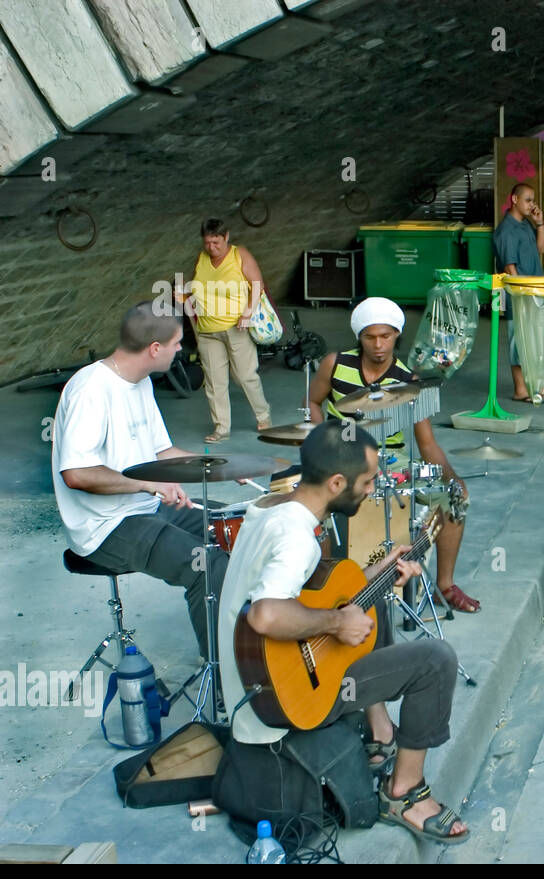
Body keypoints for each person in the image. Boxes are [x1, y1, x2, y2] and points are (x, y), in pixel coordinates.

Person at [216, 421, 467, 843]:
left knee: (367, 598)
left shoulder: (270, 508)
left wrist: (382, 570)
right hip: (288, 698)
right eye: (367, 483)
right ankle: (404, 793)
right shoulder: (297, 538)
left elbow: (316, 594)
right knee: (435, 660)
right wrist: (336, 622)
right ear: (336, 482)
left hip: (254, 684)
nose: (372, 491)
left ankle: (379, 734)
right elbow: (264, 615)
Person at [52, 302, 228, 661]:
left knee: (238, 527)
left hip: (147, 508)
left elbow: (160, 451)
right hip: (106, 527)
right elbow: (77, 473)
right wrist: (149, 485)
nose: (182, 350)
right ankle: (223, 674)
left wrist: (218, 465)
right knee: (206, 566)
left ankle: (253, 643)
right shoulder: (90, 389)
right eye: (177, 343)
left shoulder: (141, 382)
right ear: (154, 349)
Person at [309, 297, 481, 613]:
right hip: (342, 458)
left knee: (454, 499)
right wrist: (321, 443)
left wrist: (452, 478)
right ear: (359, 337)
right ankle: (323, 584)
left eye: (385, 336)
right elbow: (314, 403)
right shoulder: (334, 364)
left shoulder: (407, 382)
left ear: (396, 336)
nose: (378, 344)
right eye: (370, 337)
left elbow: (426, 443)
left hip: (393, 461)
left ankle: (445, 585)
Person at [176, 219, 273, 443]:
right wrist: (185, 295)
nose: (212, 247)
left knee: (245, 376)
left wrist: (247, 313)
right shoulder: (201, 258)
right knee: (214, 381)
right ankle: (221, 428)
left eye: (216, 242)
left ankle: (263, 415)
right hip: (207, 329)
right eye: (207, 243)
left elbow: (257, 284)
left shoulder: (240, 255)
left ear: (226, 237)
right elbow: (197, 287)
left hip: (235, 326)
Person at [493, 183, 544, 403]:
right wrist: (522, 294)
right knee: (519, 341)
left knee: (539, 340)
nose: (532, 204)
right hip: (520, 294)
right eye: (528, 200)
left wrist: (540, 224)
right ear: (514, 199)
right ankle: (521, 390)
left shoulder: (525, 224)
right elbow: (510, 268)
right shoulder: (506, 230)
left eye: (533, 200)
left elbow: (541, 249)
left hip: (535, 291)